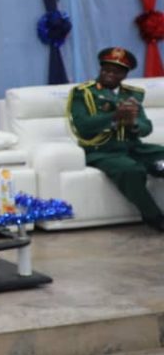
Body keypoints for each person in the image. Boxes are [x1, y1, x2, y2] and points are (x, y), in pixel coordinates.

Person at [67, 47, 164, 231]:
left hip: (133, 147)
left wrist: (133, 124)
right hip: (102, 150)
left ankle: (155, 167)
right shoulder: (83, 93)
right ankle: (154, 217)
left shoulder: (132, 94)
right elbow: (82, 126)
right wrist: (114, 116)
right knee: (131, 170)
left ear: (125, 75)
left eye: (116, 71)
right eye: (106, 70)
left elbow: (146, 127)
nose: (109, 74)